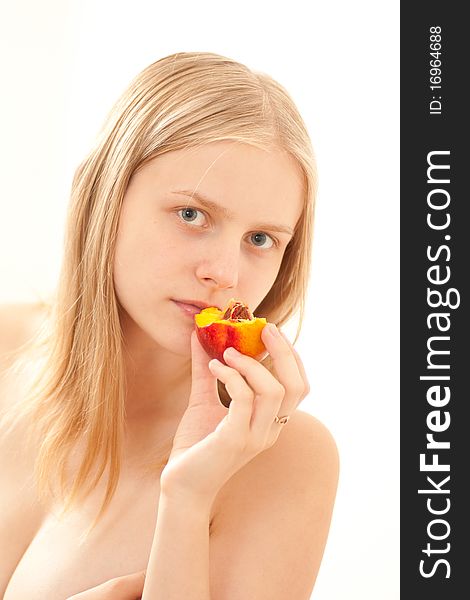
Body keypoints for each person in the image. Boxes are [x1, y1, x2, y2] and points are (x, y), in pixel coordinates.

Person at [0, 51, 339, 599]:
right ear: (104, 199)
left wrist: (185, 500)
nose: (224, 275)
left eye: (261, 239)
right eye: (192, 215)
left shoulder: (286, 458)